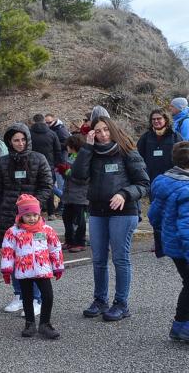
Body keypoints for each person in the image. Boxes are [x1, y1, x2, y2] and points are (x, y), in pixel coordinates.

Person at [72, 116, 149, 321]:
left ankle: (121, 304)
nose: (103, 134)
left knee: (120, 258)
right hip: (98, 211)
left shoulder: (127, 151)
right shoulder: (92, 153)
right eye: (98, 131)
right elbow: (78, 175)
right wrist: (87, 148)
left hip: (124, 212)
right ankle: (100, 300)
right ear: (92, 134)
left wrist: (124, 194)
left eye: (106, 129)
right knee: (98, 259)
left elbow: (143, 184)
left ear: (113, 130)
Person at [0, 122, 53, 315]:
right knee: (13, 256)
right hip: (8, 215)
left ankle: (35, 299)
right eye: (16, 140)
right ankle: (19, 295)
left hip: (32, 218)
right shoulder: (3, 161)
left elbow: (47, 186)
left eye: (23, 139)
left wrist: (31, 205)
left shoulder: (39, 159)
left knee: (33, 256)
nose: (20, 143)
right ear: (9, 141)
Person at [0, 194, 64, 339]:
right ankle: (29, 323)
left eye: (35, 214)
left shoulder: (46, 230)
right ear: (20, 215)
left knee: (48, 296)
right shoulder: (13, 232)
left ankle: (45, 324)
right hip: (24, 270)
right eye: (27, 215)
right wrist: (6, 269)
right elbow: (7, 251)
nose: (32, 218)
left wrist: (58, 266)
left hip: (43, 269)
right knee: (27, 298)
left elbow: (55, 248)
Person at [147, 140, 189, 342]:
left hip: (172, 243)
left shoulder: (164, 182)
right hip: (184, 246)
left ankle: (180, 325)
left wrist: (164, 233)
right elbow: (187, 228)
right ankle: (183, 326)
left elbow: (154, 215)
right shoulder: (186, 189)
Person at [58, 134, 89, 252]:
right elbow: (69, 174)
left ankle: (80, 242)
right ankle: (69, 240)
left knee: (79, 220)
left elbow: (84, 178)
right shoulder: (70, 156)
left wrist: (67, 173)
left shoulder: (83, 158)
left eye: (68, 145)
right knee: (67, 218)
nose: (67, 148)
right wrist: (63, 172)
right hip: (69, 193)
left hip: (80, 195)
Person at [137, 108, 184, 186]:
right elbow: (138, 157)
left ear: (165, 119)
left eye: (159, 118)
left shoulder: (175, 136)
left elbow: (183, 157)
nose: (156, 121)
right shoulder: (145, 137)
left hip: (171, 178)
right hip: (151, 178)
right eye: (153, 119)